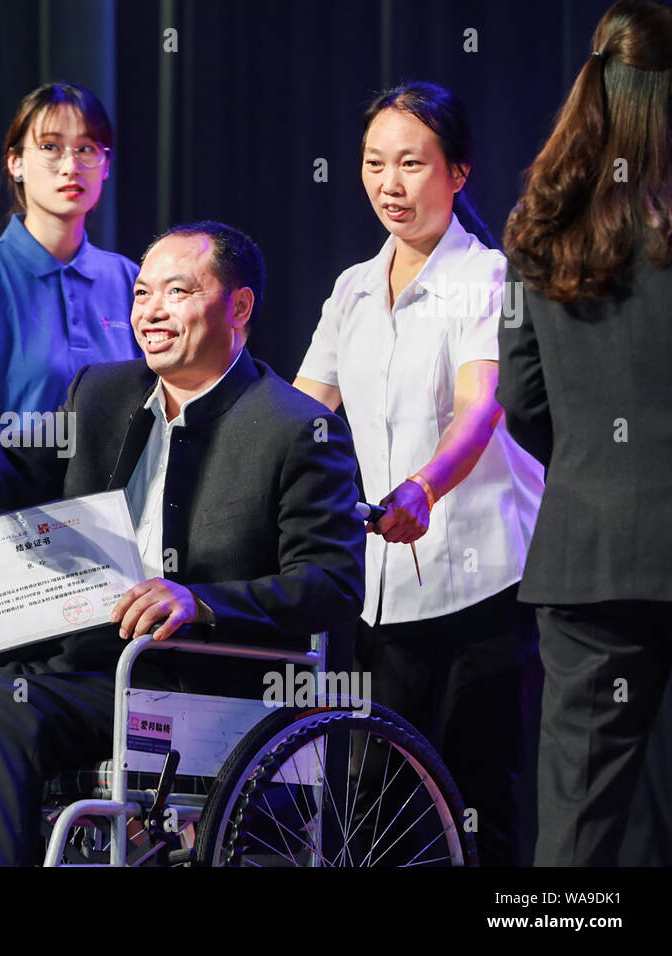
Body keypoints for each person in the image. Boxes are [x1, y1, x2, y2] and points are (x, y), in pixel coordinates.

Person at [0, 221, 366, 867]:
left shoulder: (294, 427)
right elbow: (20, 470)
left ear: (240, 306)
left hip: (190, 679)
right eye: (143, 293)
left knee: (4, 708)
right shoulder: (103, 392)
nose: (152, 311)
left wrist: (198, 600)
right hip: (79, 662)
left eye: (177, 291)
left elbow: (333, 582)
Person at [292, 82, 544, 867]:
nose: (388, 184)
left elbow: (480, 408)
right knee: (369, 806)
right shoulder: (353, 288)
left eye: (411, 163)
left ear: (458, 172)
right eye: (373, 164)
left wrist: (424, 488)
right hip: (381, 588)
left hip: (483, 580)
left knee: (476, 799)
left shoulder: (489, 278)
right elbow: (299, 412)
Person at [498, 0, 672, 867]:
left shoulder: (539, 228)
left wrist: (592, 464)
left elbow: (523, 401)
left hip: (586, 557)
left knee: (574, 827)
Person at [0, 82, 140, 573]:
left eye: (87, 148)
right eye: (50, 147)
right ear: (15, 162)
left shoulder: (131, 280)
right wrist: (9, 549)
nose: (71, 165)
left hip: (103, 553)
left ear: (105, 164)